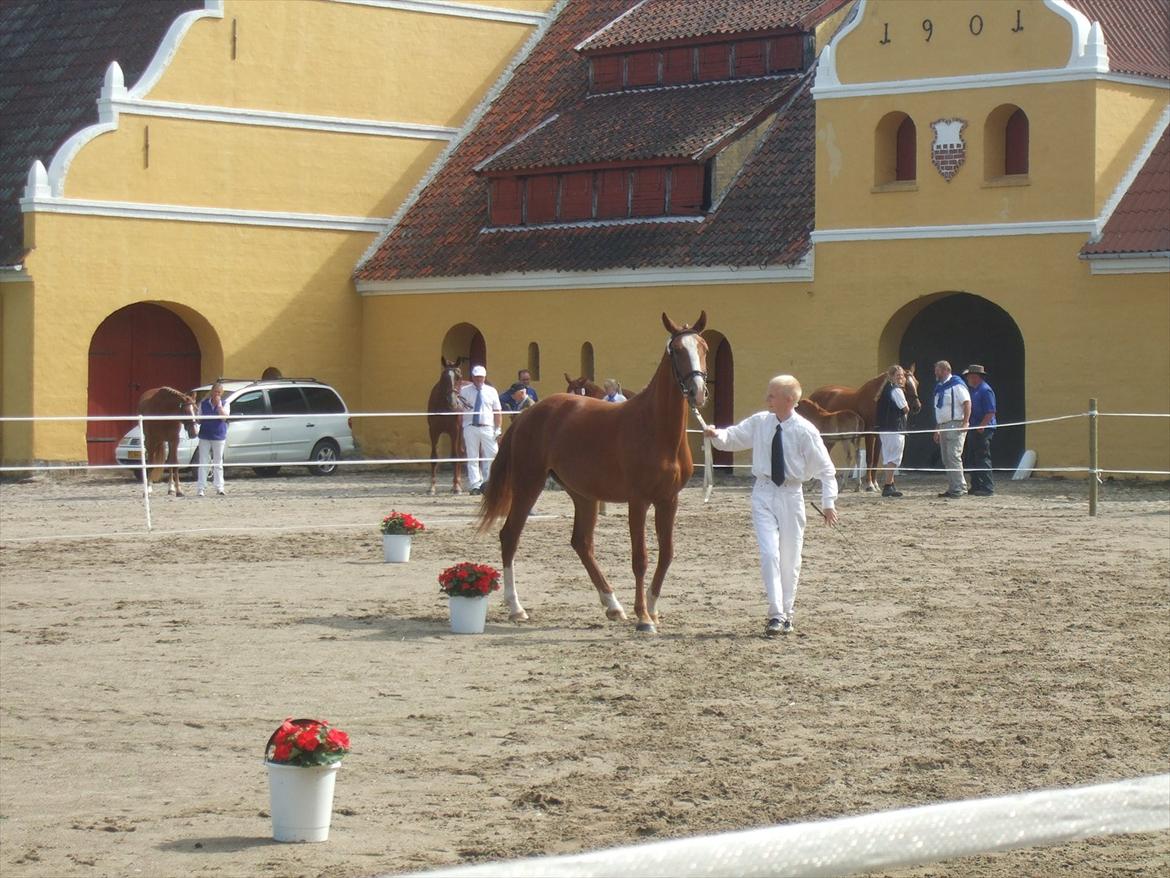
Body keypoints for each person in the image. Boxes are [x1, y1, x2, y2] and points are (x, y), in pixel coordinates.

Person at [704, 375, 838, 637]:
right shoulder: (759, 422)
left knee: (790, 557)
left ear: (788, 400)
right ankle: (775, 613)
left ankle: (788, 613)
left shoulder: (805, 431)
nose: (767, 399)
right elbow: (733, 437)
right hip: (763, 491)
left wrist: (828, 503)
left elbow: (826, 470)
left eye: (772, 395)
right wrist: (715, 434)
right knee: (769, 554)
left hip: (791, 494)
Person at [459, 365, 501, 495]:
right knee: (472, 456)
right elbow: (460, 409)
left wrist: (498, 429)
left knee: (492, 455)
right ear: (472, 377)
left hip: (487, 426)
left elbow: (497, 411)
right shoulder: (464, 391)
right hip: (470, 426)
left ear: (484, 377)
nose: (478, 379)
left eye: (481, 377)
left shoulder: (491, 391)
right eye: (476, 377)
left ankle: (488, 483)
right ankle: (475, 485)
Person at [932, 360, 971, 498]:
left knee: (954, 455)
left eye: (938, 370)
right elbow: (939, 410)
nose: (935, 373)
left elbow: (967, 402)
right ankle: (953, 487)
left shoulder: (957, 385)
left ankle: (960, 487)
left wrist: (965, 422)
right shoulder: (939, 388)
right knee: (946, 458)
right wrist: (937, 428)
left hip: (955, 424)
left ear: (945, 370)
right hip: (943, 425)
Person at [875, 364, 910, 498]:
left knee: (888, 457)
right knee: (894, 457)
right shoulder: (896, 390)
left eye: (902, 375)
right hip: (895, 427)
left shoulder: (885, 390)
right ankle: (888, 485)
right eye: (898, 375)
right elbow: (905, 408)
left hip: (885, 428)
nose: (901, 378)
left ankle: (891, 483)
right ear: (891, 377)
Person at [963, 364, 997, 496]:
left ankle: (987, 487)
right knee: (972, 457)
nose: (968, 379)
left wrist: (982, 425)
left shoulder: (985, 390)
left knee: (983, 457)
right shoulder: (973, 390)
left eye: (970, 376)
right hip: (973, 428)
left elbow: (991, 412)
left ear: (976, 377)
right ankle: (976, 485)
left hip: (984, 429)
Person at [196, 381, 230, 497]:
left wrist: (219, 405)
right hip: (205, 435)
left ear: (222, 393)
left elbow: (224, 417)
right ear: (211, 392)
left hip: (218, 435)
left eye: (219, 392)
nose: (217, 394)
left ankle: (219, 487)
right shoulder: (204, 403)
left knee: (218, 462)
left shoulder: (225, 403)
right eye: (215, 392)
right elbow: (198, 418)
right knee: (203, 462)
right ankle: (201, 488)